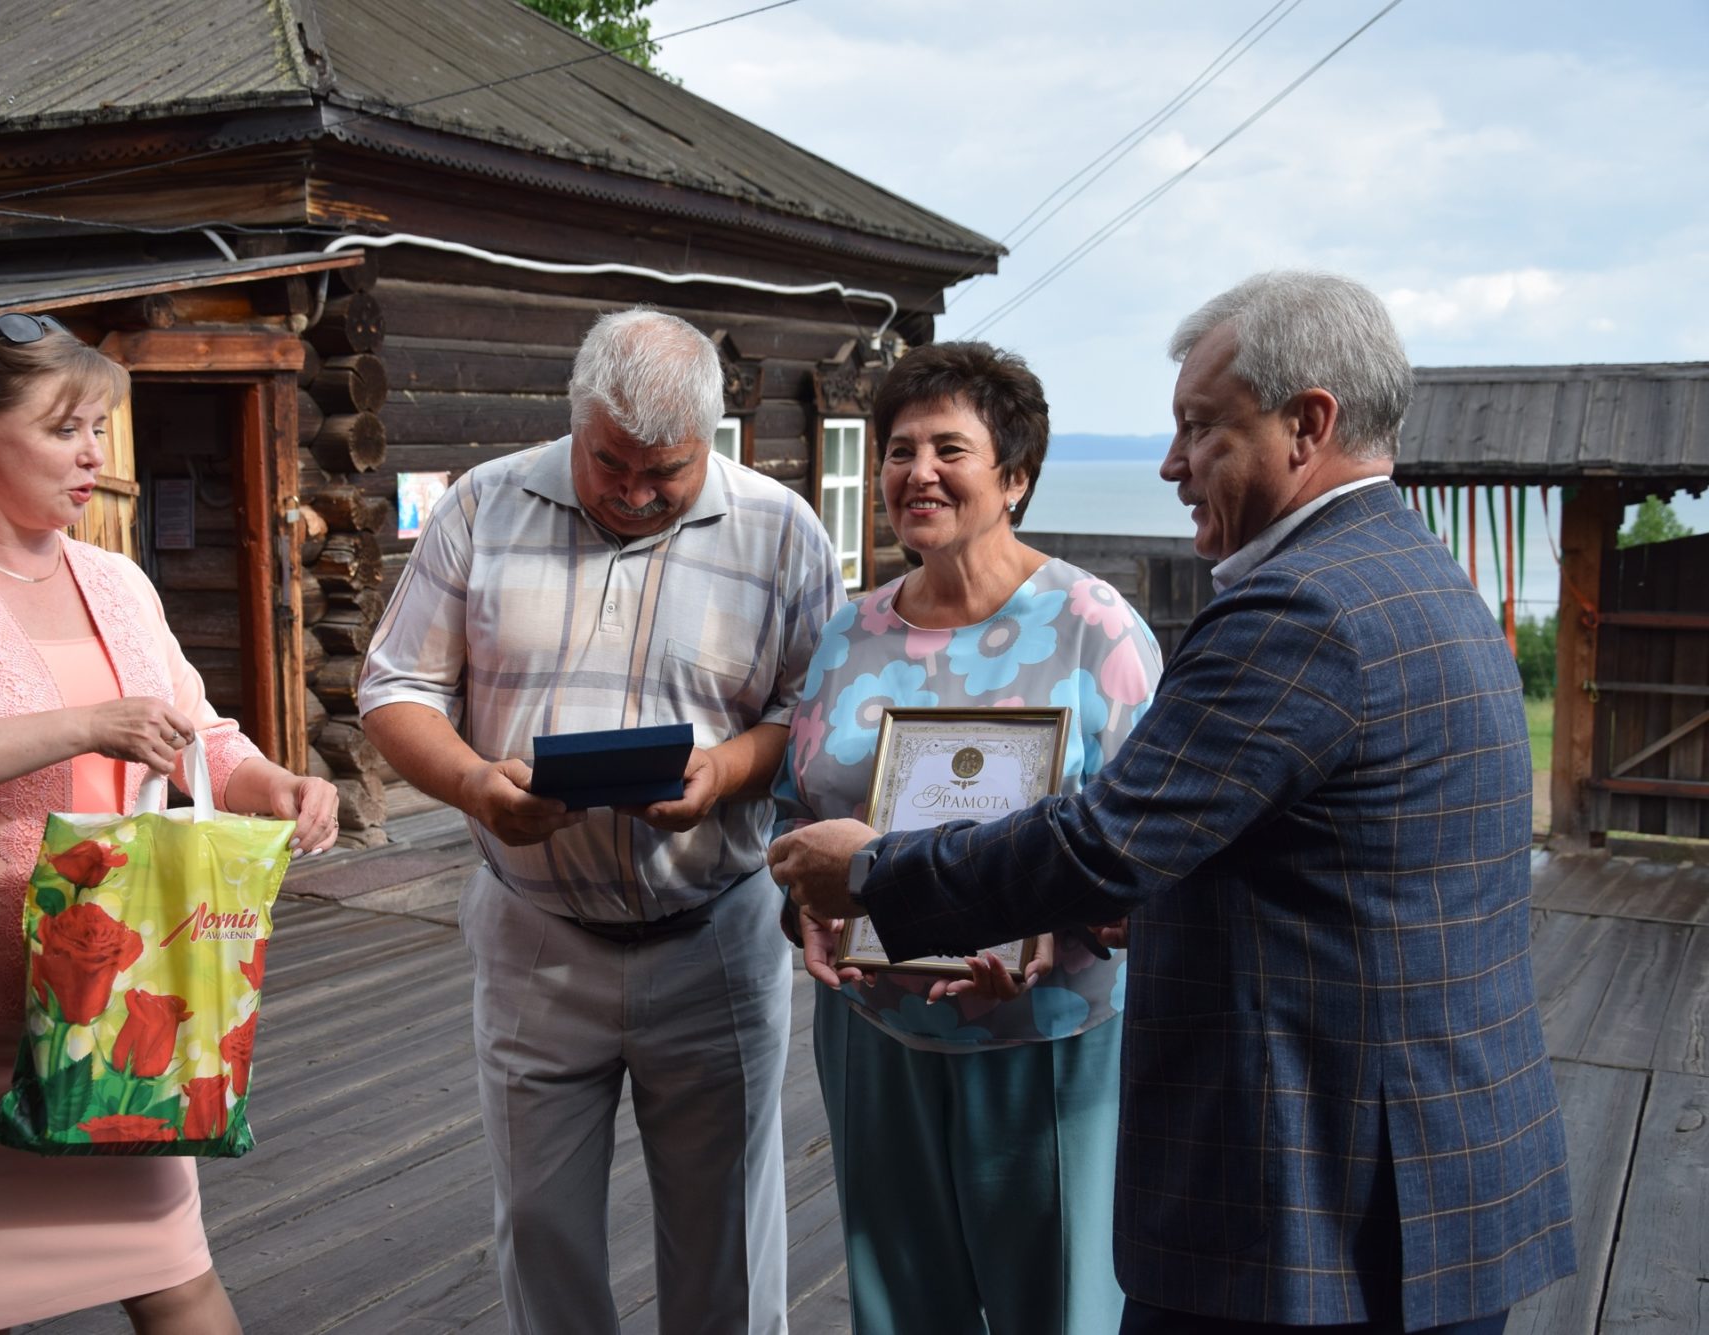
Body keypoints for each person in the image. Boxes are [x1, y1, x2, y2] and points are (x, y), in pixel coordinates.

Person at [769, 272, 1576, 1335]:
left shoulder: (1296, 609)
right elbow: (1298, 864)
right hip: (1424, 1171)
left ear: (1307, 424)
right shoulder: (1412, 575)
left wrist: (869, 874)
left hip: (1312, 1201)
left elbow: (1105, 842)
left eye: (1199, 429)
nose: (1167, 464)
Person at [0, 311, 340, 1335]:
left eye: (99, 427)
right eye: (66, 428)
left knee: (178, 1276)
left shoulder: (116, 581)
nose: (95, 456)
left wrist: (270, 783)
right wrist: (83, 727)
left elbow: (194, 734)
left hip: (109, 1011)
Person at [359, 308, 844, 1335]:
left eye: (663, 473)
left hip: (714, 929)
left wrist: (721, 773)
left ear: (711, 438)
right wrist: (474, 789)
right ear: (573, 420)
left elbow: (808, 715)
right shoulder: (482, 505)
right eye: (609, 463)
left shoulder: (781, 528)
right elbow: (394, 686)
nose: (633, 494)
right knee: (540, 1228)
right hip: (534, 928)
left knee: (726, 1237)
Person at [773, 342, 1160, 1335]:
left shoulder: (1094, 630)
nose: (916, 472)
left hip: (1044, 1035)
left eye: (950, 448)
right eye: (898, 451)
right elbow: (794, 812)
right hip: (875, 1034)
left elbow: (1148, 853)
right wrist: (803, 910)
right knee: (899, 1310)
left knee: (1060, 1307)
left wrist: (1047, 926)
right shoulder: (848, 631)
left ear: (1015, 476)